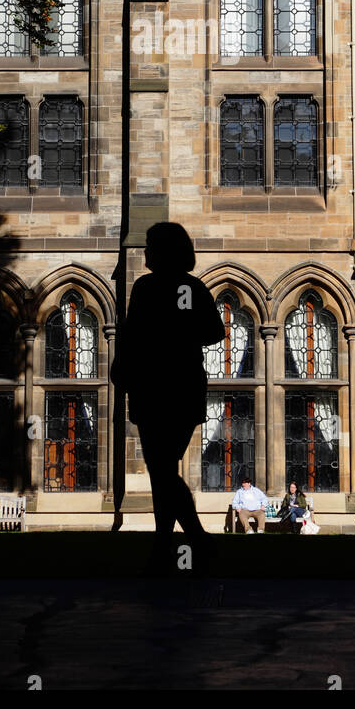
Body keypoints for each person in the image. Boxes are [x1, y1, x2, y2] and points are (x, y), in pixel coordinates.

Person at [111, 222, 224, 572]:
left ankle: (192, 537)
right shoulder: (183, 288)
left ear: (164, 251)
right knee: (163, 470)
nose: (145, 252)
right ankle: (169, 545)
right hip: (172, 388)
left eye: (150, 245)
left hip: (161, 388)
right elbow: (210, 331)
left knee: (161, 470)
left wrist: (174, 335)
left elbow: (212, 331)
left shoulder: (156, 288)